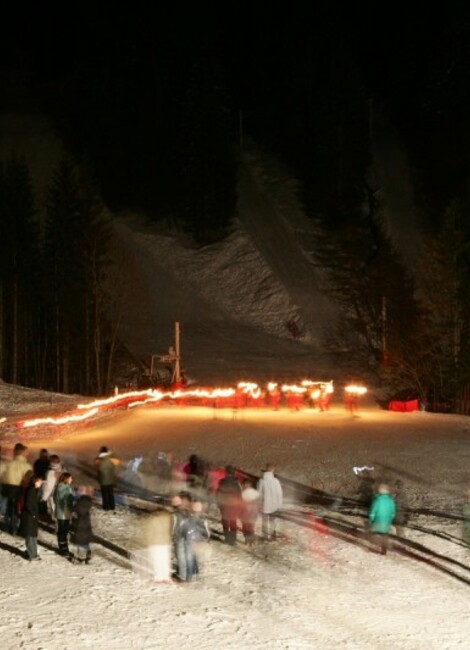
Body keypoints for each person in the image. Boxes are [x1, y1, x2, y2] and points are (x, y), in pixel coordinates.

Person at [2, 442, 33, 534]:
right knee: (16, 509)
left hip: (6, 488)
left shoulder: (8, 463)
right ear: (23, 453)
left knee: (7, 507)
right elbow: (28, 479)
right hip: (19, 489)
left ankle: (6, 525)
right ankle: (13, 527)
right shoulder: (27, 466)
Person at [142, 509, 172, 583]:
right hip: (165, 542)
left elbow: (150, 531)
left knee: (157, 560)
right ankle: (166, 576)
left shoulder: (153, 519)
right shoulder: (168, 518)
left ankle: (158, 577)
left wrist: (148, 541)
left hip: (155, 542)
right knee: (165, 560)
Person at [216, 465, 242, 545]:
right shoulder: (236, 483)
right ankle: (233, 539)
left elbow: (218, 494)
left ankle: (227, 538)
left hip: (224, 504)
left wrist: (219, 504)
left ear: (226, 472)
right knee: (233, 521)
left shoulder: (222, 482)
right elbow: (239, 495)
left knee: (225, 522)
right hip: (233, 505)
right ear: (233, 473)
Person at [368, 483, 396, 555]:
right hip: (386, 521)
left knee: (374, 532)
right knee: (385, 535)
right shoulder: (390, 500)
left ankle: (375, 543)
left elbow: (373, 511)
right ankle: (384, 549)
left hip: (378, 520)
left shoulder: (377, 500)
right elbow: (393, 512)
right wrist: (390, 519)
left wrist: (371, 519)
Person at [257, 464, 283, 541]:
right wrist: (279, 505)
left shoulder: (261, 481)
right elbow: (279, 494)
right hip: (274, 505)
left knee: (264, 521)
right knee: (272, 521)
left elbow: (259, 494)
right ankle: (272, 536)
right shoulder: (276, 481)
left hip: (264, 505)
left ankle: (265, 536)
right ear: (272, 470)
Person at [21, 474, 43, 561]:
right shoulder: (31, 491)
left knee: (33, 536)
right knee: (30, 536)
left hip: (32, 517)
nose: (41, 482)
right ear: (35, 481)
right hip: (29, 517)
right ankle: (32, 555)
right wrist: (33, 514)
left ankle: (33, 553)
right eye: (40, 481)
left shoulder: (34, 490)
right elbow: (28, 505)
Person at [54, 472, 75, 557]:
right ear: (66, 479)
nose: (71, 480)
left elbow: (55, 499)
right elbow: (65, 500)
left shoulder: (61, 487)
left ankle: (63, 547)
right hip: (63, 512)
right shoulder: (64, 488)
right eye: (70, 478)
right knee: (63, 531)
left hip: (63, 512)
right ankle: (63, 549)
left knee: (63, 530)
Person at [94, 446, 120, 511]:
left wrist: (99, 456)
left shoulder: (98, 460)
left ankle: (106, 507)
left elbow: (95, 463)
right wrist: (111, 454)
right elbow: (117, 462)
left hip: (102, 480)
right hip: (110, 480)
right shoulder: (111, 459)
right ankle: (112, 506)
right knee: (111, 493)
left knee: (104, 494)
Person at [70, 491, 93, 564]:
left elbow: (76, 523)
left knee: (80, 544)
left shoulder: (78, 511)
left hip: (79, 532)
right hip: (86, 531)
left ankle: (81, 558)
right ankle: (87, 555)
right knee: (85, 543)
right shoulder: (86, 512)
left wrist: (73, 525)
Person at [41, 454, 65, 521]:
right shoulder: (63, 469)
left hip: (53, 492)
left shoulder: (50, 472)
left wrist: (44, 498)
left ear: (51, 462)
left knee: (54, 508)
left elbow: (49, 486)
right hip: (63, 491)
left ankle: (57, 525)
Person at [241, 478, 260, 546]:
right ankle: (252, 541)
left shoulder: (243, 493)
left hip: (246, 513)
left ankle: (247, 540)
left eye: (244, 484)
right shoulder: (256, 493)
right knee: (251, 527)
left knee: (245, 527)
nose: (243, 485)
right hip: (253, 513)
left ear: (247, 484)